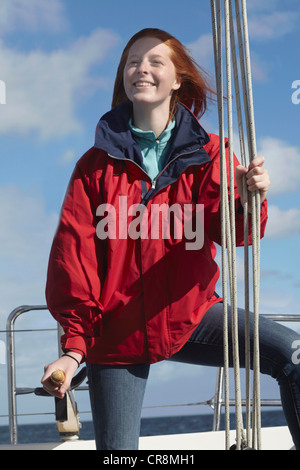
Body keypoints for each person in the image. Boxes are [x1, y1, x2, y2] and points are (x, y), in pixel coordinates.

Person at [41, 28, 300, 450]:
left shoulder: (213, 153)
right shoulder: (93, 167)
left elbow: (236, 234)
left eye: (154, 61)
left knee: (294, 355)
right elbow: (74, 263)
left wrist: (247, 199)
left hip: (189, 313)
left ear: (178, 78)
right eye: (131, 61)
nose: (140, 68)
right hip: (116, 332)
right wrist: (74, 349)